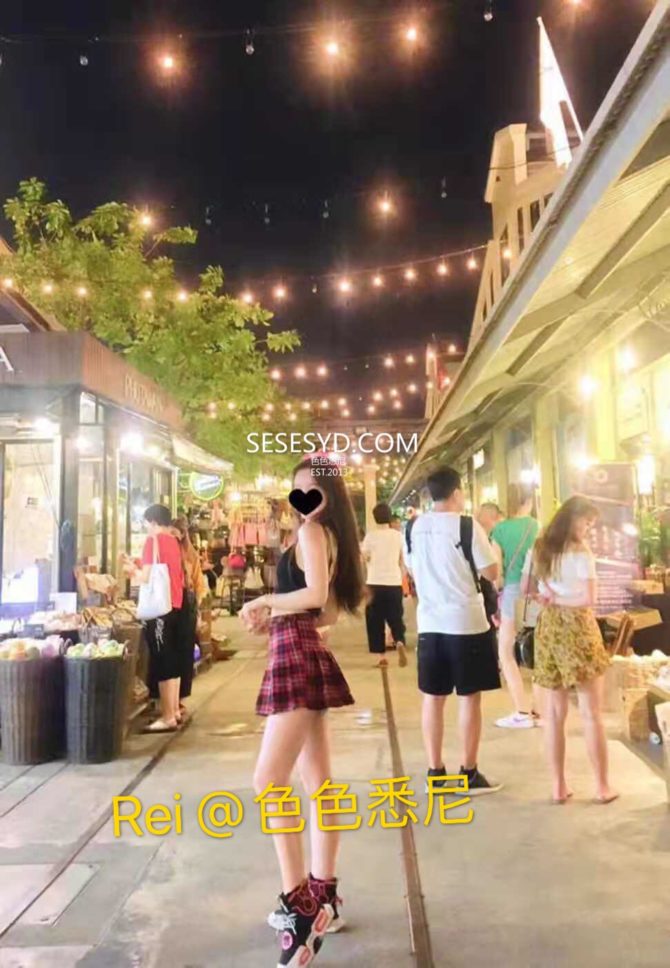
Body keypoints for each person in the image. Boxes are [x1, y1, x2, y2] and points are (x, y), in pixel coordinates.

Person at [239, 456, 364, 966]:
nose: (303, 497)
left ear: (330, 494)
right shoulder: (323, 535)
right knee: (319, 783)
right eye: (297, 489)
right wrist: (274, 616)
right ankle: (324, 894)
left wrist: (267, 601)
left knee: (269, 781)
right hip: (300, 645)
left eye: (312, 488)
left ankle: (300, 908)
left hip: (296, 654)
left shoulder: (311, 533)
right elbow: (325, 610)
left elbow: (314, 596)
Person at [405, 466, 502, 795]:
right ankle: (469, 773)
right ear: (457, 493)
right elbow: (491, 573)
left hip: (430, 624)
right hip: (466, 623)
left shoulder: (413, 527)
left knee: (433, 699)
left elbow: (412, 568)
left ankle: (435, 773)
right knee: (469, 698)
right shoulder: (467, 525)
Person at [525, 496, 617, 804]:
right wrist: (561, 599)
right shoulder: (581, 553)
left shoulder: (540, 548)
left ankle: (558, 786)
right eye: (586, 522)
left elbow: (529, 587)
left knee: (554, 714)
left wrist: (549, 597)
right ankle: (602, 786)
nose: (588, 529)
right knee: (592, 712)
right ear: (572, 518)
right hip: (579, 628)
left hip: (550, 628)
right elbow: (589, 599)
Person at [123, 504, 184, 733]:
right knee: (173, 660)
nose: (146, 527)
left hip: (159, 610)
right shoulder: (173, 541)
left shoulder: (152, 541)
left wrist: (132, 570)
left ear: (154, 522)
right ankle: (174, 710)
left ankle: (167, 716)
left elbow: (146, 578)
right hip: (175, 603)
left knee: (162, 661)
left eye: (147, 523)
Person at [491, 484, 540, 728]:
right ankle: (540, 711)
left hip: (512, 594)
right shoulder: (538, 527)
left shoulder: (499, 530)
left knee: (506, 652)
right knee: (539, 650)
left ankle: (521, 710)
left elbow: (496, 574)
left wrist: (496, 595)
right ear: (529, 500)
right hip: (538, 593)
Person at [361, 503, 408, 668]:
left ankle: (381, 657)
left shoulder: (370, 537)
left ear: (375, 518)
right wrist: (401, 576)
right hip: (394, 582)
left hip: (374, 583)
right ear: (389, 516)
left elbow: (364, 557)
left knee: (375, 621)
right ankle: (399, 640)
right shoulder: (398, 536)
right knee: (395, 617)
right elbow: (402, 561)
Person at [173, 517, 208, 721]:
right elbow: (200, 587)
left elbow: (197, 585)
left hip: (181, 605)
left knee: (178, 653)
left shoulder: (185, 554)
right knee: (184, 653)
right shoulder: (191, 553)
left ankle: (174, 701)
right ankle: (177, 700)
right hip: (188, 605)